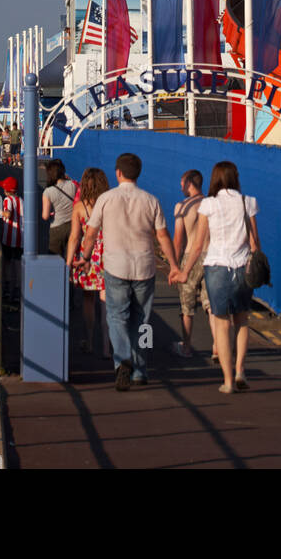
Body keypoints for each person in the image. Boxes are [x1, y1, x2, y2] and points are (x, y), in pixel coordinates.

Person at [79, 152, 180, 391]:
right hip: (145, 266)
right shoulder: (151, 200)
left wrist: (84, 258)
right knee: (142, 320)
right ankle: (140, 369)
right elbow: (163, 236)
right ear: (138, 173)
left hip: (115, 266)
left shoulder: (105, 199)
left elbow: (91, 234)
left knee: (116, 317)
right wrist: (174, 266)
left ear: (118, 173)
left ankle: (122, 359)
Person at [170, 161, 260, 394]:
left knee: (221, 324)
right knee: (241, 320)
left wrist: (184, 272)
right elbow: (254, 244)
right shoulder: (247, 202)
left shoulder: (209, 204)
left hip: (217, 266)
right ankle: (241, 370)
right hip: (241, 268)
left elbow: (198, 245)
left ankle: (228, 381)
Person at [171, 169, 216, 361]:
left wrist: (174, 265)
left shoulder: (182, 206)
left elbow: (178, 240)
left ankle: (186, 347)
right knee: (211, 305)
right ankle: (217, 346)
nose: (180, 186)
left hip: (190, 256)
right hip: (211, 256)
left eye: (182, 182)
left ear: (189, 182)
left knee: (187, 306)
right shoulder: (211, 205)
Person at [66, 167, 110, 356]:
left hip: (87, 256)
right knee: (106, 302)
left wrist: (68, 263)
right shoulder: (109, 204)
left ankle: (90, 341)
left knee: (88, 300)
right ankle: (108, 346)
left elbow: (74, 237)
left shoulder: (79, 208)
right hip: (108, 255)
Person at [42, 160, 78, 257]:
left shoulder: (48, 191)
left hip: (56, 228)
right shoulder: (72, 185)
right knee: (72, 256)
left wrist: (51, 215)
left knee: (55, 260)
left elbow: (45, 216)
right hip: (73, 226)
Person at [0, 176, 24, 307]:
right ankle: (18, 291)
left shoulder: (8, 200)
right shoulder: (21, 200)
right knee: (18, 265)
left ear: (7, 190)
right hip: (21, 238)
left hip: (9, 238)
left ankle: (8, 290)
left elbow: (7, 214)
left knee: (7, 263)